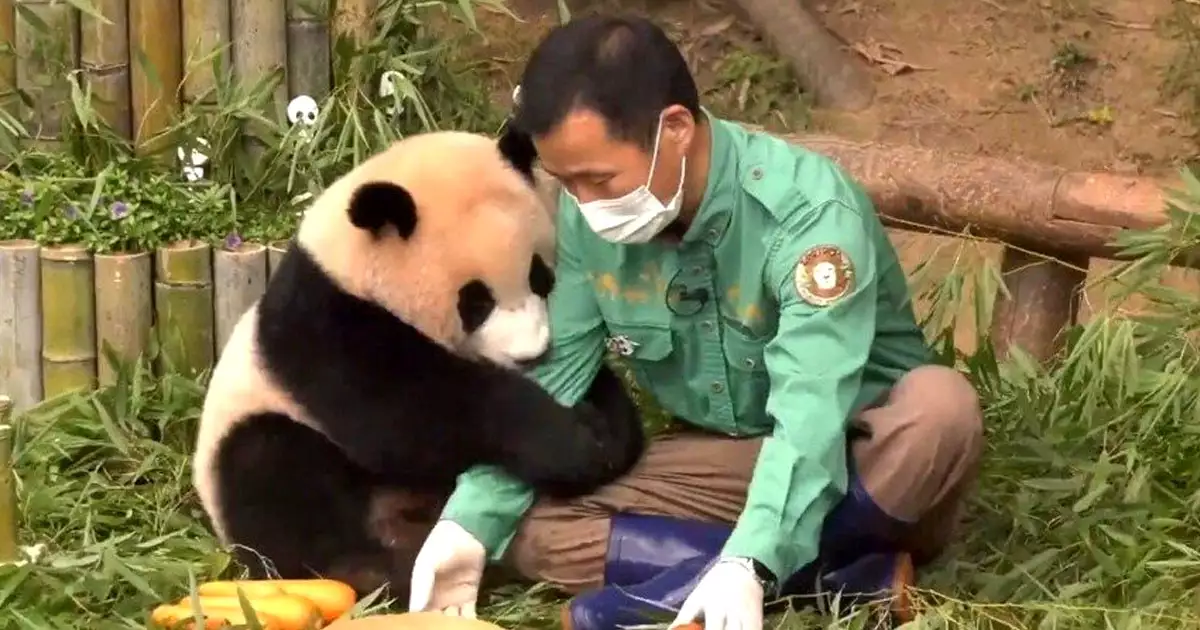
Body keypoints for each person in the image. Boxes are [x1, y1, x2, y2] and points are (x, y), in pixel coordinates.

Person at [406, 14, 985, 630]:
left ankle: (730, 576)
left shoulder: (808, 214)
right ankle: (832, 581)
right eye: (567, 183)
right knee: (528, 525)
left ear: (675, 129)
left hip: (861, 458)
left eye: (600, 179)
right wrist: (469, 519)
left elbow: (812, 410)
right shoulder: (586, 218)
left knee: (941, 410)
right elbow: (556, 374)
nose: (584, 205)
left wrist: (753, 557)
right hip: (729, 465)